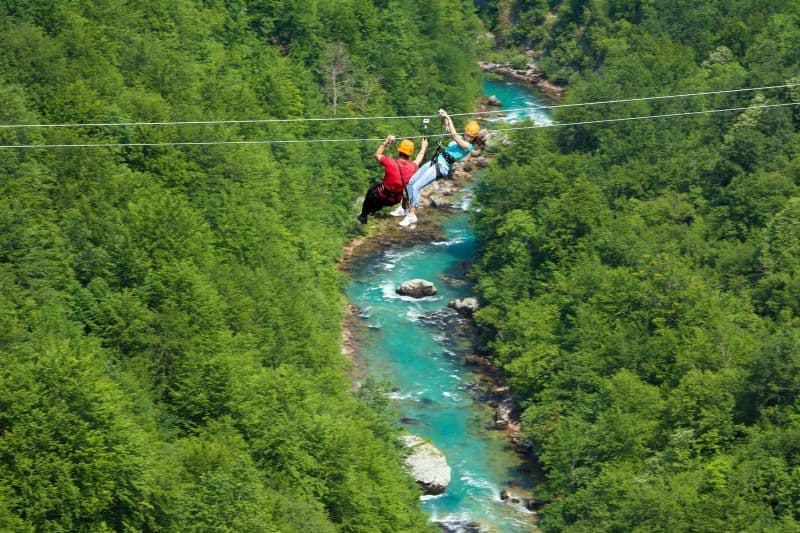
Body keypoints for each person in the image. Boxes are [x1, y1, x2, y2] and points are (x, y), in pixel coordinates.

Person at [395, 109, 484, 227]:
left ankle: (412, 215)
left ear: (474, 137)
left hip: (442, 166)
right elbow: (449, 128)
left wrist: (448, 116)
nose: (468, 137)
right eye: (467, 134)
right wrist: (444, 116)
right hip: (435, 161)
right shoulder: (462, 137)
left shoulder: (468, 146)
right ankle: (405, 209)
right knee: (410, 183)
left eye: (471, 136)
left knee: (417, 187)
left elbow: (454, 135)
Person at [357, 134, 428, 224]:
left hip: (381, 195)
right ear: (410, 154)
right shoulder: (412, 167)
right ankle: (372, 210)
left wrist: (386, 141)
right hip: (394, 200)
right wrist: (423, 148)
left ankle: (363, 215)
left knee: (373, 189)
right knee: (381, 200)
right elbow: (418, 159)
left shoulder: (389, 162)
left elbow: (377, 155)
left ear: (399, 151)